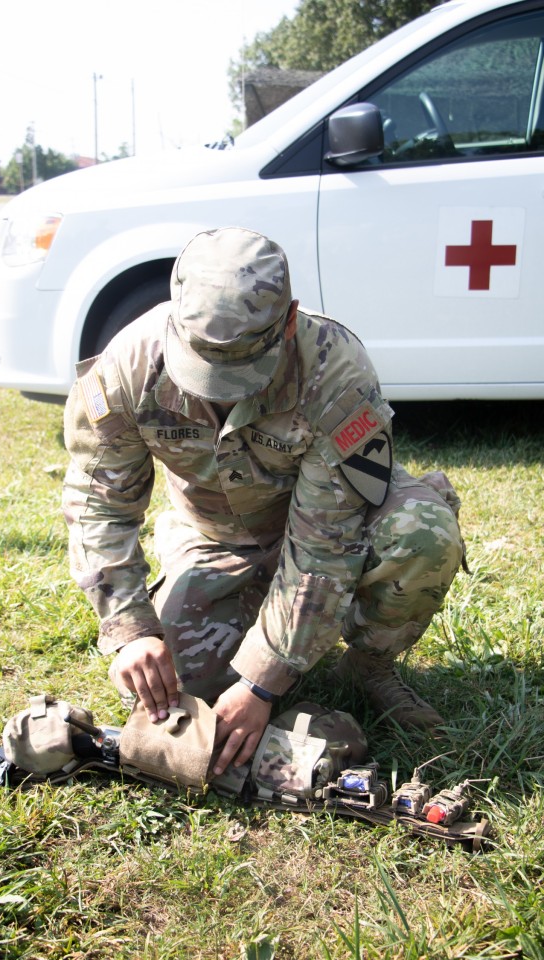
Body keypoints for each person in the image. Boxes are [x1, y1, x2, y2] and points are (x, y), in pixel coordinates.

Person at [62, 226, 464, 778]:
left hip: (323, 531)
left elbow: (325, 547)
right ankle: (258, 623)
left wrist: (262, 680)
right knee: (186, 694)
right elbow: (98, 504)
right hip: (215, 537)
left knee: (423, 534)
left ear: (289, 320)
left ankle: (367, 667)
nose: (222, 390)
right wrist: (130, 626)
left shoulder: (333, 370)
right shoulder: (129, 367)